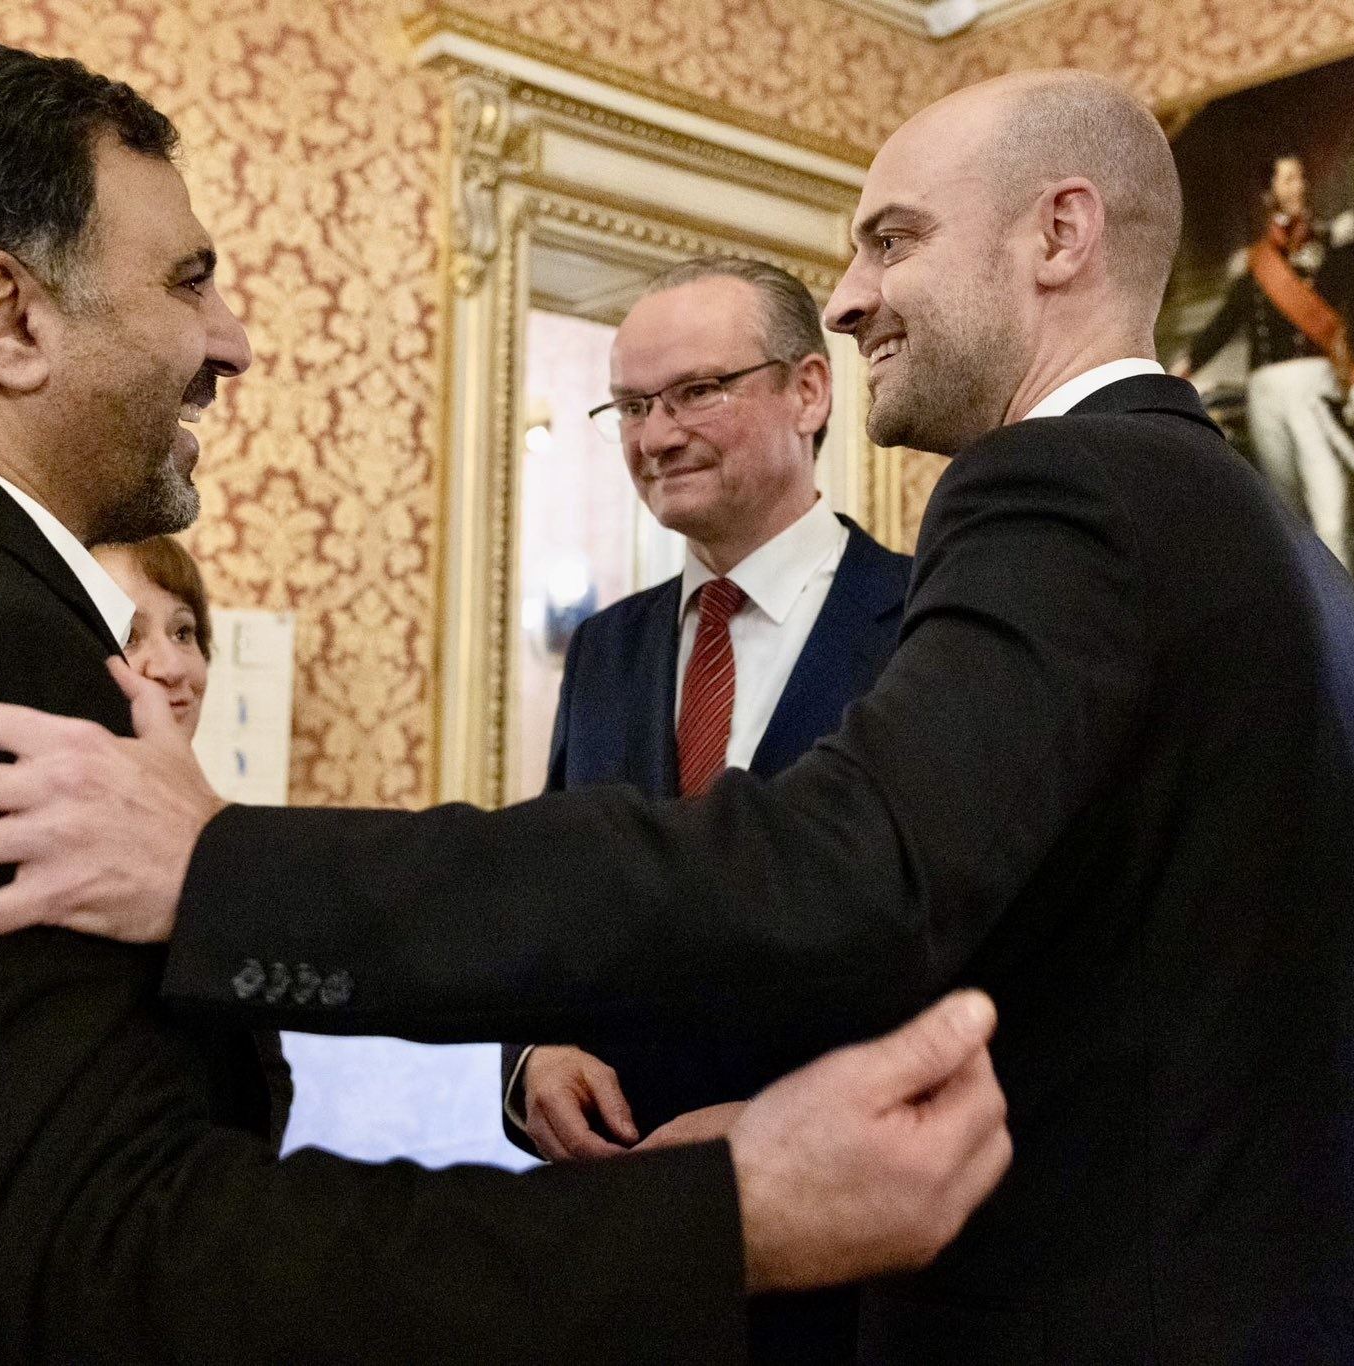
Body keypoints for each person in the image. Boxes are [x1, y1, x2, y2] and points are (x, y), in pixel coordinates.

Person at [0, 68, 1354, 1361]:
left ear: (1060, 233)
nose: (856, 297)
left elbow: (852, 867)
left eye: (888, 240)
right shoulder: (1279, 544)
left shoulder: (1066, 488)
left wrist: (225, 871)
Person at [0, 39, 1014, 1362]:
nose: (235, 339)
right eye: (189, 280)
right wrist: (724, 1217)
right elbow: (121, 1259)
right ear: (6, 314)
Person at [506, 256, 910, 1362]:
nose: (652, 435)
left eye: (694, 392)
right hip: (624, 1228)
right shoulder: (604, 648)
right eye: (631, 405)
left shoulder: (929, 627)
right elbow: (556, 901)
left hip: (850, 1258)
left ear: (808, 392)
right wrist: (535, 1049)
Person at [93, 533, 295, 1150]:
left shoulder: (223, 844)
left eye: (184, 632)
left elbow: (262, 1083)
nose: (173, 667)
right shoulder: (64, 852)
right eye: (130, 634)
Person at [1169, 153, 1354, 568]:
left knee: (1330, 506)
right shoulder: (1256, 262)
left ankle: (1340, 616)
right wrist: (1183, 367)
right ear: (1270, 193)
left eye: (1301, 177)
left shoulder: (1336, 240)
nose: (1299, 187)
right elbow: (1225, 322)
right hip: (1265, 393)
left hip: (1314, 387)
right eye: (1288, 180)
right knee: (1287, 513)